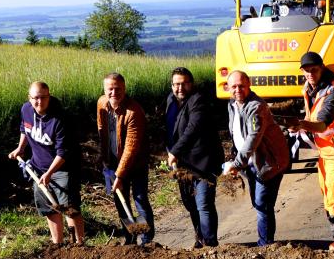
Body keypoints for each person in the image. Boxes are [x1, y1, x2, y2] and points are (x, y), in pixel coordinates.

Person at [295, 52, 334, 254]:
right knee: (328, 197)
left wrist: (300, 124)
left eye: (314, 70)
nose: (310, 74)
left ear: (322, 68)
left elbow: (322, 124)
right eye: (307, 71)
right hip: (327, 153)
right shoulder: (310, 89)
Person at [8, 81, 84, 245]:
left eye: (43, 97)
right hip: (38, 167)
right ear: (29, 98)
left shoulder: (61, 119)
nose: (39, 102)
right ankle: (58, 244)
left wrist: (49, 174)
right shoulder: (26, 110)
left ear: (49, 96)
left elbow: (63, 152)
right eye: (36, 98)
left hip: (63, 168)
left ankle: (79, 246)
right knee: (49, 208)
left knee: (69, 208)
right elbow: (24, 128)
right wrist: (20, 148)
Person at [224, 70, 290, 246]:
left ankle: (265, 246)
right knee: (258, 203)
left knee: (262, 205)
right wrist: (234, 156)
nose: (237, 90)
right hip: (251, 163)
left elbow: (253, 136)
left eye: (241, 86)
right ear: (227, 88)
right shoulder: (232, 104)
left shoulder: (256, 106)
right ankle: (266, 241)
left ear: (249, 85)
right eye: (234, 86)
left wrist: (237, 163)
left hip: (269, 163)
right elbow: (237, 133)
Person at [165, 67, 224, 248]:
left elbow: (193, 128)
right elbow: (170, 129)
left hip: (204, 162)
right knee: (190, 204)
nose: (180, 88)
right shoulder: (170, 101)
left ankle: (210, 243)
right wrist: (169, 150)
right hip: (184, 164)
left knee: (203, 204)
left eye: (184, 83)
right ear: (172, 85)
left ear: (192, 84)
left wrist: (174, 151)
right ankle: (200, 238)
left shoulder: (198, 101)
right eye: (176, 84)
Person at [96, 72, 155, 245]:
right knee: (120, 202)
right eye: (110, 89)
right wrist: (103, 156)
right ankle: (129, 236)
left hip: (136, 164)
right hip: (112, 164)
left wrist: (120, 175)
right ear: (104, 90)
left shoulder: (133, 111)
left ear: (125, 89)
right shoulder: (101, 104)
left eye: (118, 89)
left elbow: (131, 147)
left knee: (140, 199)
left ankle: (146, 238)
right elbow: (101, 128)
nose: (114, 92)